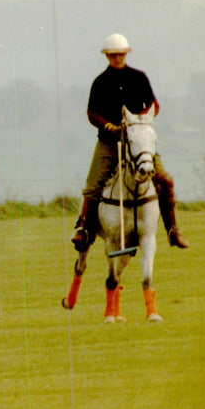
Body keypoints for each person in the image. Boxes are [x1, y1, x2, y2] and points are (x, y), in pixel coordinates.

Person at [71, 33, 189, 252]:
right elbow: (91, 113)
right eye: (113, 55)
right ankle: (84, 229)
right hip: (109, 141)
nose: (117, 58)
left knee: (165, 180)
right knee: (93, 185)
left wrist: (138, 121)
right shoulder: (100, 82)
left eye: (120, 54)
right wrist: (108, 126)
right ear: (107, 55)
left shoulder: (139, 77)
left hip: (138, 142)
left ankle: (173, 230)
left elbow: (154, 105)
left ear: (126, 54)